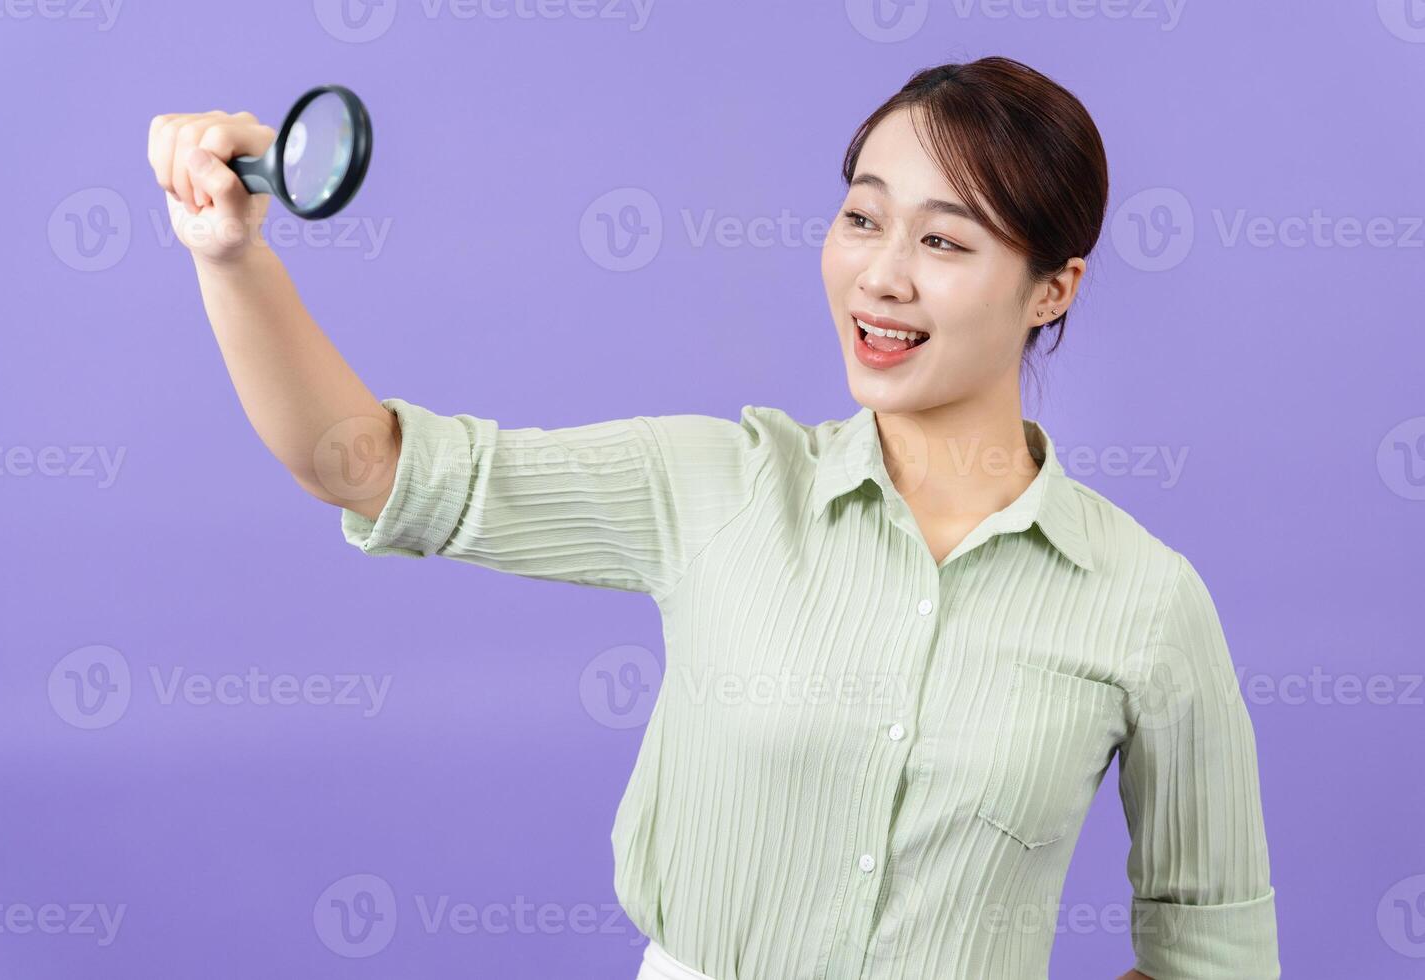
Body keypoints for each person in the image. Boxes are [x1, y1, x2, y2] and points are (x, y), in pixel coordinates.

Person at [147, 56, 1280, 980]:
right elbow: (368, 465)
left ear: (1053, 288)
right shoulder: (722, 487)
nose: (881, 275)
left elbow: (1216, 947)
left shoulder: (1143, 600)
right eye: (861, 218)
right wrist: (231, 255)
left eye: (943, 240)